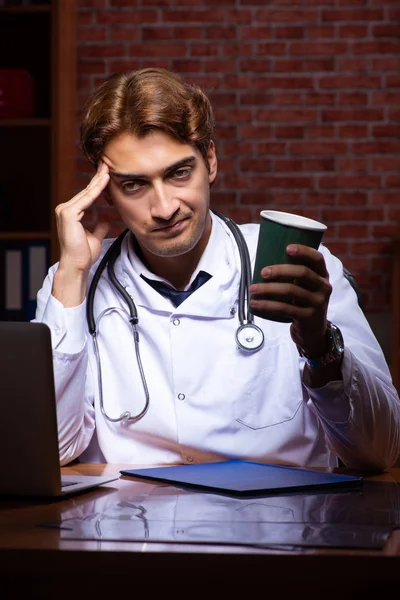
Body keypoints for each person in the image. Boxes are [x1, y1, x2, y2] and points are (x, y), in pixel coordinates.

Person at [34, 67, 400, 470]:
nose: (164, 208)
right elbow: (53, 450)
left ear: (210, 160)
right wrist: (71, 273)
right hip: (130, 525)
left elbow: (381, 451)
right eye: (134, 185)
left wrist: (320, 346)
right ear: (106, 192)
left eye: (178, 173)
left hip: (281, 524)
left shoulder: (295, 266)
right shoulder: (73, 282)